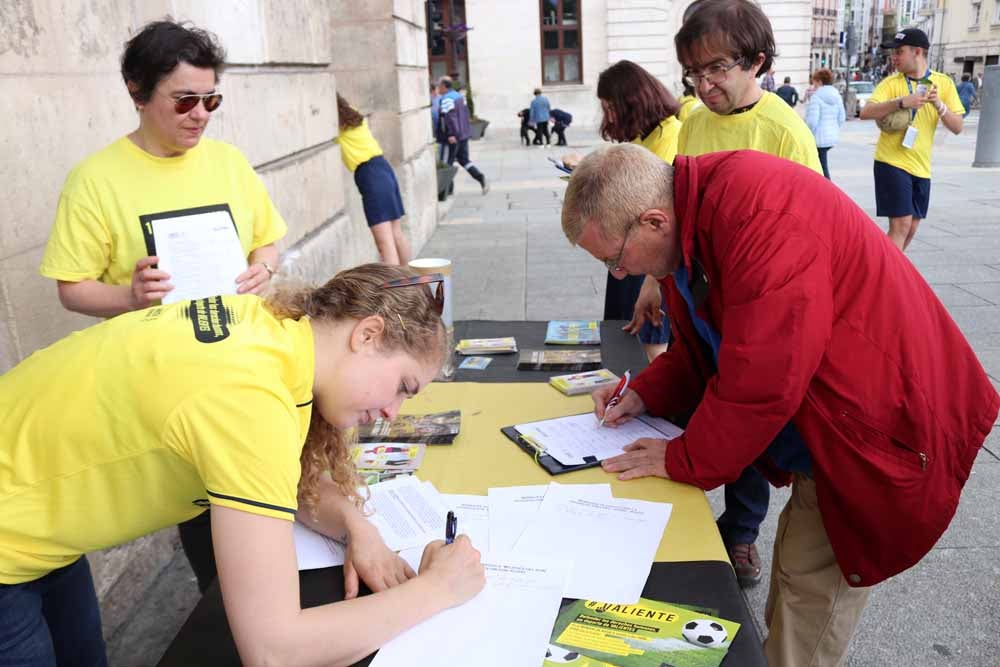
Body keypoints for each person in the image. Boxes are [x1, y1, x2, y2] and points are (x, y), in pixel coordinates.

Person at [561, 143, 998, 667]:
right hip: (831, 420)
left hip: (877, 425)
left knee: (809, 593)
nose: (617, 274)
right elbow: (704, 348)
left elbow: (762, 378)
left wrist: (681, 459)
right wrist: (644, 393)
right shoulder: (692, 216)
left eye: (614, 257)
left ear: (653, 221)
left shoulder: (760, 217)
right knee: (796, 576)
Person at [0, 263, 487, 666]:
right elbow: (273, 649)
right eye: (403, 386)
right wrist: (436, 590)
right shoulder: (252, 400)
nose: (391, 413)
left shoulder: (270, 329)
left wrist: (354, 523)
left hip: (40, 531)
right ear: (368, 334)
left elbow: (275, 476)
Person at [38, 19, 286, 593]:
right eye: (184, 101)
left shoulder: (228, 162)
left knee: (280, 524)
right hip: (168, 393)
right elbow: (71, 286)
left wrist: (264, 267)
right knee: (215, 544)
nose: (200, 114)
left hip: (249, 369)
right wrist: (128, 295)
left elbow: (269, 239)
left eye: (211, 99)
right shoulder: (95, 180)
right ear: (137, 90)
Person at [630, 0, 823, 588]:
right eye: (693, 72)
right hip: (701, 290)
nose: (704, 84)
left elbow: (809, 230)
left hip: (759, 299)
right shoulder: (692, 120)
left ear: (757, 62)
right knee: (713, 399)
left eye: (716, 70)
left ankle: (740, 534)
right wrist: (653, 279)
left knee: (748, 406)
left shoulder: (784, 129)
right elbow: (669, 208)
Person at [596, 59, 682, 362]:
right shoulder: (642, 135)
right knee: (624, 329)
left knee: (648, 334)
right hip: (629, 246)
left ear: (631, 101)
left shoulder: (671, 133)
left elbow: (654, 198)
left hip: (649, 252)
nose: (608, 116)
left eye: (611, 107)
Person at [860, 28, 963, 251]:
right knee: (901, 224)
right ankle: (884, 280)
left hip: (921, 167)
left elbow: (957, 127)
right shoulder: (891, 83)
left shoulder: (943, 83)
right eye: (893, 53)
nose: (894, 58)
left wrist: (939, 105)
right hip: (891, 162)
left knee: (912, 228)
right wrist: (901, 102)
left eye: (899, 52)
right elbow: (865, 112)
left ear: (917, 52)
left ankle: (884, 271)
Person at [336, 95, 411, 265]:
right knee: (396, 233)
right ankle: (410, 279)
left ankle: (394, 290)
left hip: (370, 174)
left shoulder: (336, 123)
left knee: (384, 243)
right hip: (383, 167)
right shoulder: (353, 113)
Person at [436, 77, 489, 194]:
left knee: (446, 163)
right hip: (463, 135)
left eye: (438, 86)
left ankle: (445, 191)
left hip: (451, 137)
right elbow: (465, 115)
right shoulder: (460, 97)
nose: (437, 88)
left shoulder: (446, 99)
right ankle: (480, 177)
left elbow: (447, 118)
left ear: (444, 86)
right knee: (464, 160)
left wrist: (450, 134)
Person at [805, 68, 846, 179]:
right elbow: (842, 117)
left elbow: (812, 121)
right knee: (821, 165)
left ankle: (827, 191)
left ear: (820, 81)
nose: (813, 85)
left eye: (814, 82)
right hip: (831, 137)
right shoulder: (837, 96)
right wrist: (833, 128)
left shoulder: (816, 97)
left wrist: (807, 132)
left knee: (821, 168)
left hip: (818, 138)